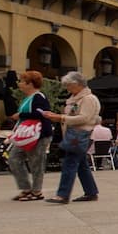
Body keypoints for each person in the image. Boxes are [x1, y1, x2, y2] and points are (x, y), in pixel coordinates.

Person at [43, 71, 101, 204]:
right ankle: (91, 192)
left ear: (77, 84)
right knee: (81, 165)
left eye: (69, 85)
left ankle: (63, 194)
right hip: (74, 134)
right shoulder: (76, 99)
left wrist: (60, 117)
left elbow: (84, 118)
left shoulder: (88, 99)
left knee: (69, 163)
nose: (67, 88)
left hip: (79, 135)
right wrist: (57, 116)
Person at [8, 70, 53, 202]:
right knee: (14, 158)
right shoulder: (27, 98)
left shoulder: (39, 97)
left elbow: (42, 113)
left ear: (30, 84)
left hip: (39, 134)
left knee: (36, 163)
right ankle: (26, 188)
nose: (19, 84)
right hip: (25, 134)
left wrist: (21, 115)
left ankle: (36, 191)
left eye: (22, 81)